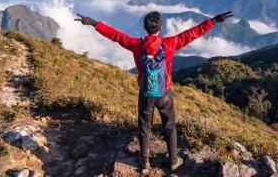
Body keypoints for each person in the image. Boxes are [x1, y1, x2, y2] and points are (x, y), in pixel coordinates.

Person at [75, 10, 233, 172]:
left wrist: (93, 23)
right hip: (165, 92)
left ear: (145, 28)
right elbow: (191, 34)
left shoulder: (136, 45)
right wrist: (213, 21)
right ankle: (173, 161)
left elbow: (116, 36)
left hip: (145, 93)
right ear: (161, 27)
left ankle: (144, 161)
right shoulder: (170, 44)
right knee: (170, 127)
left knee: (145, 128)